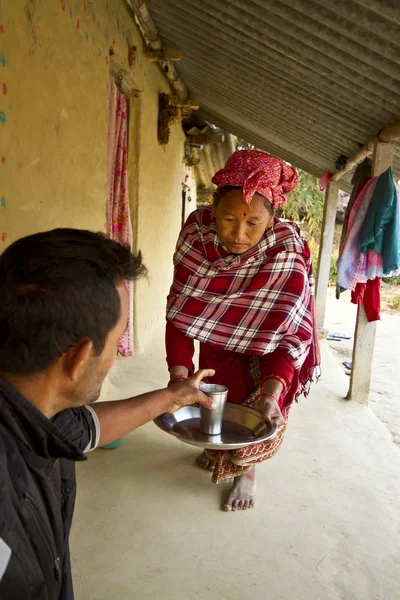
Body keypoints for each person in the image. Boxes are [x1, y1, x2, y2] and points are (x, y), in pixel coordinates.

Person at [0, 229, 215, 600]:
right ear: (79, 358)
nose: (116, 353)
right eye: (117, 341)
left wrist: (171, 397)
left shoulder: (31, 408)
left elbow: (86, 427)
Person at [166, 150, 320, 512]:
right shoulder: (195, 237)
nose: (238, 233)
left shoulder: (286, 252)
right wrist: (178, 373)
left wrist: (274, 389)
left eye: (252, 223)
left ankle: (246, 469)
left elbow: (291, 334)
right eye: (229, 218)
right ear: (213, 211)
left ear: (271, 221)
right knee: (213, 396)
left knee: (257, 409)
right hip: (217, 343)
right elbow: (180, 313)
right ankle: (219, 452)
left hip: (268, 356)